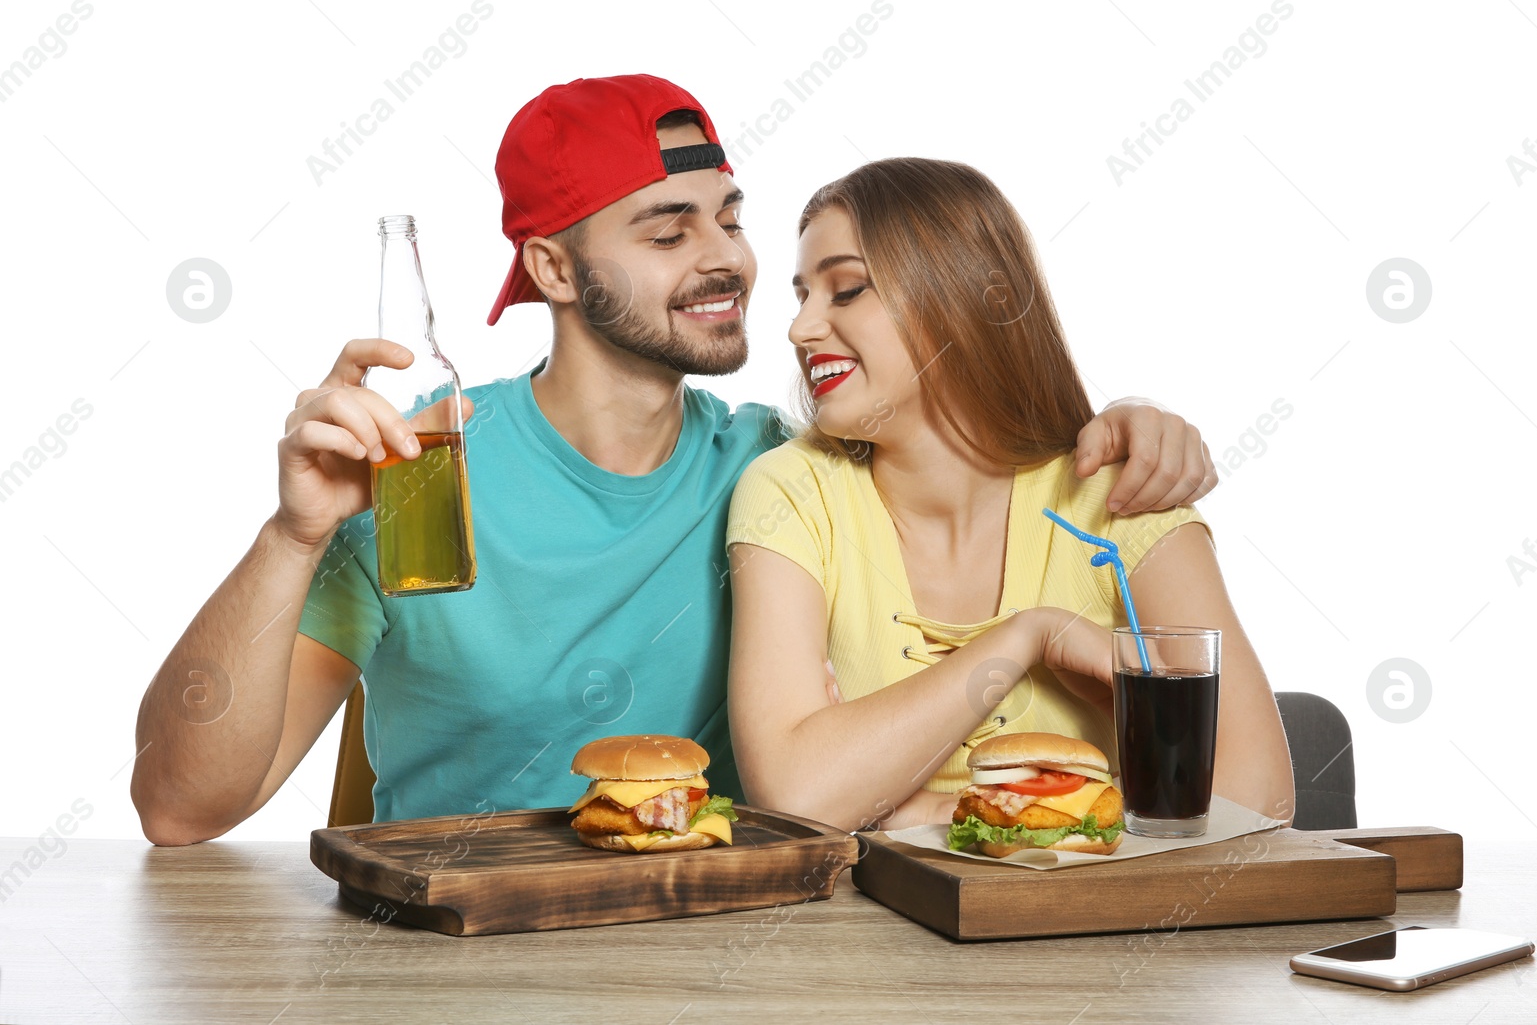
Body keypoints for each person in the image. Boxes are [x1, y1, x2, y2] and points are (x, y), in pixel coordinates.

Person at [130, 76, 1217, 845]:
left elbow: (967, 447)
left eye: (728, 219)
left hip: (711, 954)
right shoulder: (420, 468)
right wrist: (294, 535)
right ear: (553, 265)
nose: (727, 260)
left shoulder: (782, 471)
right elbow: (182, 808)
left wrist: (1120, 421)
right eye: (667, 231)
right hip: (449, 954)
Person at [725, 157, 1294, 834]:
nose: (799, 329)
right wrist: (1030, 635)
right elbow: (797, 796)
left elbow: (1258, 803)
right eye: (801, 296)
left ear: (958, 299)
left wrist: (903, 810)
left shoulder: (1124, 497)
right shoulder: (791, 491)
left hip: (1095, 932)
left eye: (845, 290)